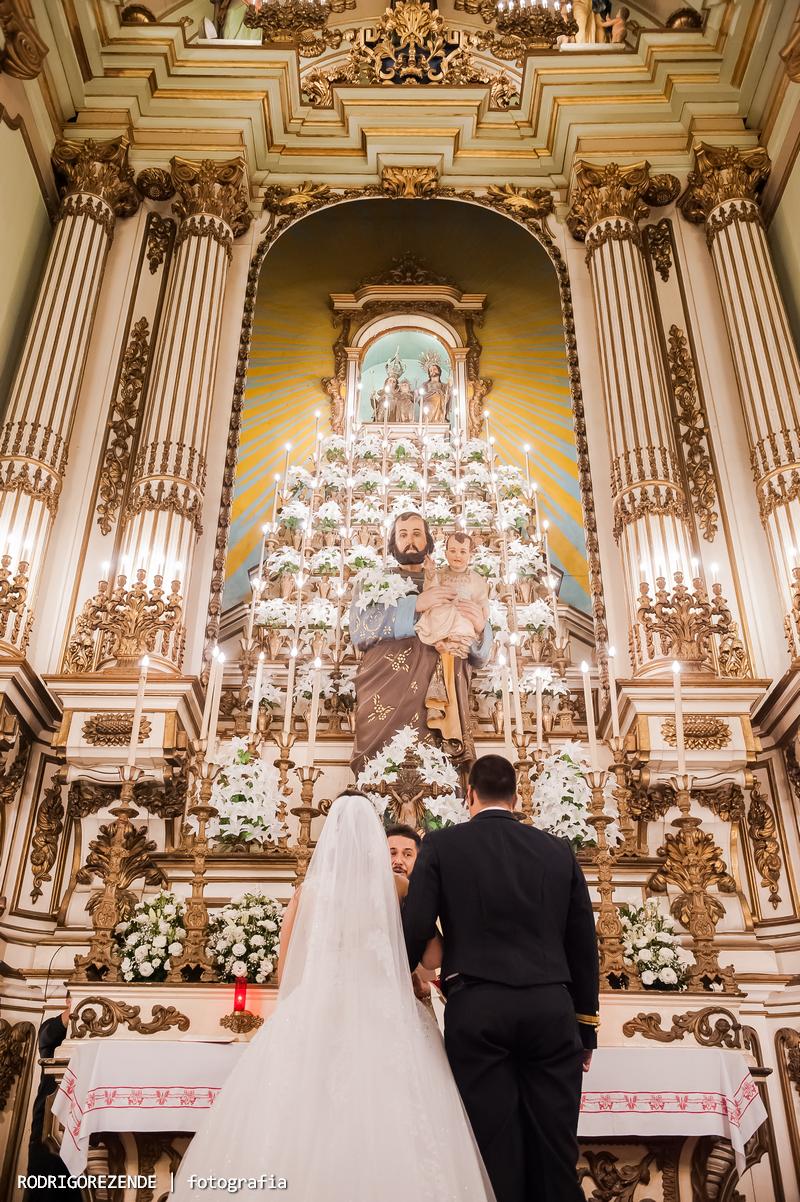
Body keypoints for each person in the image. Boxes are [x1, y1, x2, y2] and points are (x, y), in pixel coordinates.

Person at [169, 793, 496, 1202]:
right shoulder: (396, 886)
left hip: (318, 1008)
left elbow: (285, 965)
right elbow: (432, 959)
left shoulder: (309, 890)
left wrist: (298, 1007)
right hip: (387, 1013)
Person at [402, 755, 599, 1202]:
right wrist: (585, 1026)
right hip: (551, 1007)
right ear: (517, 796)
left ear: (468, 794)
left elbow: (415, 927)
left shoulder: (442, 845)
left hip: (479, 1005)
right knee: (556, 1147)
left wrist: (397, 978)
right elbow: (582, 943)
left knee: (492, 1146)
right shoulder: (556, 850)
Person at [349, 512, 491, 773]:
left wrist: (481, 630)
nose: (410, 540)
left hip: (441, 691)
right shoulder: (372, 582)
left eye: (417, 533)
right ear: (392, 542)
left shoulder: (454, 580)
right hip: (386, 690)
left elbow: (479, 651)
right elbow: (359, 629)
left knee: (440, 772)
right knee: (382, 770)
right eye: (402, 534)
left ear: (429, 541)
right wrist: (416, 605)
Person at [417, 532, 490, 658]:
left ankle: (455, 646)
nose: (457, 555)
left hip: (463, 611)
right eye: (452, 551)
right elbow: (430, 591)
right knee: (436, 614)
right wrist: (430, 574)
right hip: (443, 609)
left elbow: (481, 599)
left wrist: (482, 615)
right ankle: (441, 641)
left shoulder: (476, 579)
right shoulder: (439, 573)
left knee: (463, 623)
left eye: (462, 552)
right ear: (445, 554)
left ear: (470, 555)